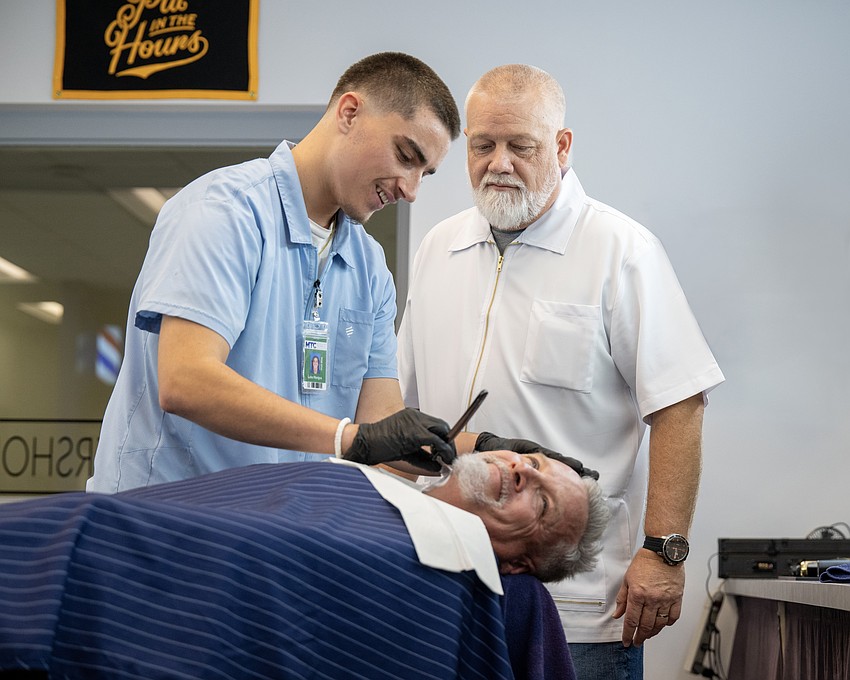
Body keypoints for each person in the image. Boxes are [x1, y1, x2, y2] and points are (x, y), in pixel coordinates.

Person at [397, 63, 725, 679]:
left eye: (520, 146)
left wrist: (665, 554)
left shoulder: (620, 250)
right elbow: (397, 401)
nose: (498, 163)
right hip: (440, 580)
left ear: (562, 146)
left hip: (576, 604)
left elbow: (680, 405)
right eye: (482, 145)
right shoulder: (438, 246)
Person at [87, 52, 462, 493]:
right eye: (406, 156)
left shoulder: (369, 267)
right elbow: (185, 380)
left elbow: (380, 430)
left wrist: (487, 454)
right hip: (163, 524)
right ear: (349, 112)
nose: (411, 189)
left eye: (426, 173)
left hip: (276, 532)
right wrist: (348, 439)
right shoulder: (225, 212)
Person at [2, 451, 607, 679]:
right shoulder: (362, 480)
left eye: (542, 499)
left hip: (97, 562)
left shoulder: (450, 581)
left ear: (521, 564)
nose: (524, 468)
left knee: (95, 534)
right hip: (85, 525)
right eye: (531, 459)